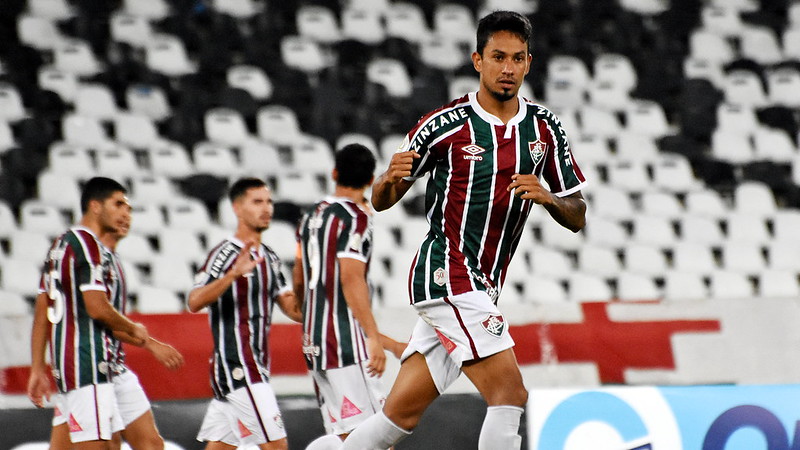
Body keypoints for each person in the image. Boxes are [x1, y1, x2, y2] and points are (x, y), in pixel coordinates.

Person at [309, 10, 588, 450]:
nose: (508, 68)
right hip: (449, 273)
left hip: (482, 284)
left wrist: (551, 198)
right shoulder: (444, 125)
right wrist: (386, 179)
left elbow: (578, 214)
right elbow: (383, 200)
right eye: (498, 57)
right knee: (509, 394)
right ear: (478, 60)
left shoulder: (544, 128)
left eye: (517, 58)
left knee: (398, 417)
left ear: (529, 63)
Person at [27, 187, 185, 449]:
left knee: (151, 444)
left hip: (109, 367)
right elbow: (98, 309)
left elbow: (50, 311)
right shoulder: (88, 246)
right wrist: (136, 330)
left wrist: (37, 368)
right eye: (119, 204)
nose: (127, 214)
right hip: (87, 367)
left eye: (129, 209)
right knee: (103, 446)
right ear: (95, 206)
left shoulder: (64, 247)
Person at [294, 144, 406, 444]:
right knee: (376, 438)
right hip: (345, 344)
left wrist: (306, 315)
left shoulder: (312, 216)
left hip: (314, 343)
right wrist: (372, 338)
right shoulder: (356, 217)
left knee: (342, 437)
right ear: (371, 181)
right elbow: (351, 279)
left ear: (334, 173)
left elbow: (299, 276)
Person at [188, 177, 303, 450]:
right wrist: (232, 276)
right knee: (277, 447)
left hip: (256, 365)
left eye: (269, 202)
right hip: (238, 366)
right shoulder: (225, 254)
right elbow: (194, 301)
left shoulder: (270, 258)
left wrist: (311, 286)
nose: (267, 208)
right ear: (237, 208)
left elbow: (293, 309)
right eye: (257, 202)